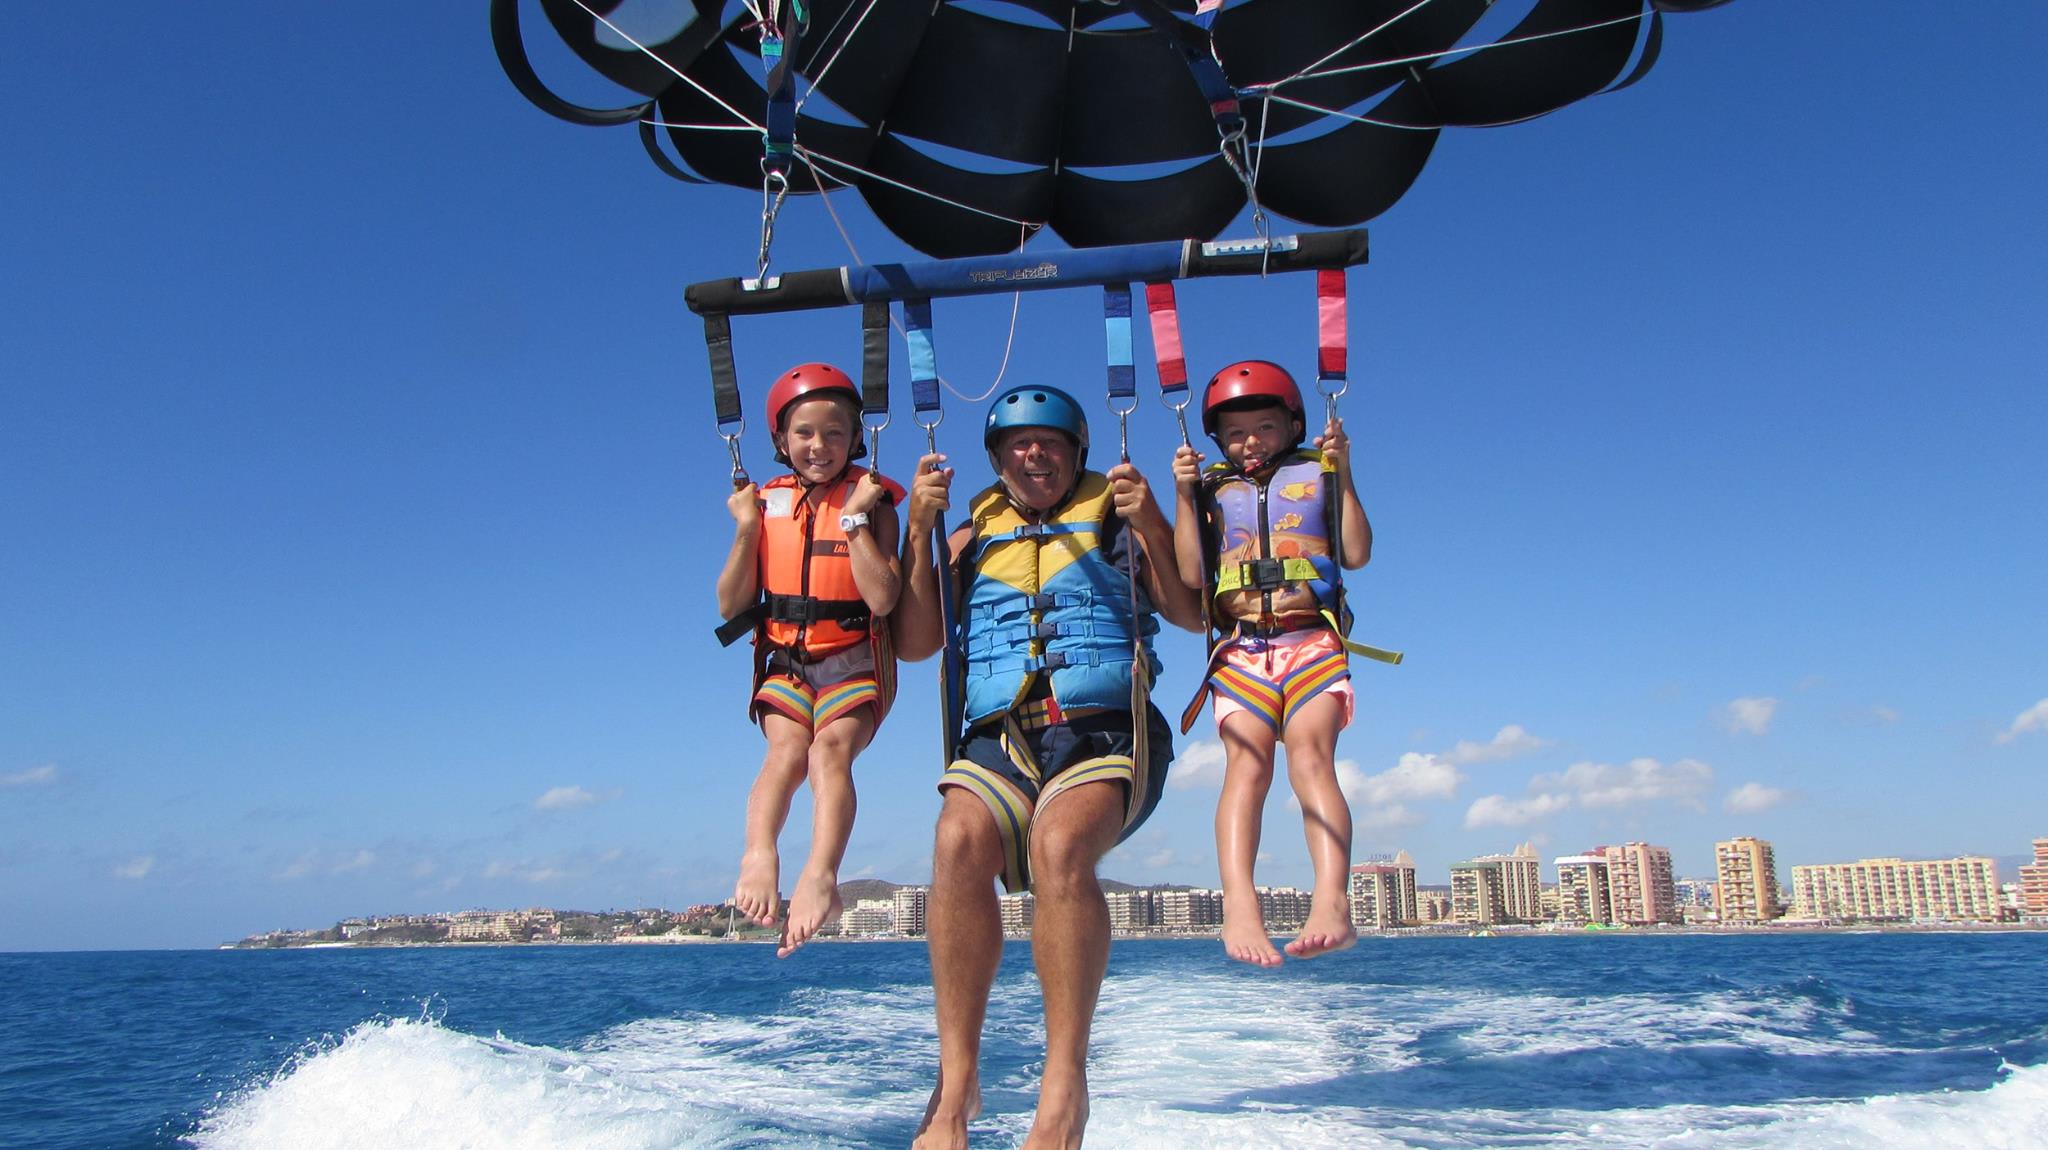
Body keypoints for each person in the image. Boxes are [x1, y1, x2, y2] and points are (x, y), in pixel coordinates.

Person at [895, 385, 1201, 1150]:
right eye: (1018, 446)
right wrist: (918, 529)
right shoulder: (969, 538)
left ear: (1076, 455)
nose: (1036, 455)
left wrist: (1154, 522)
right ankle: (958, 1078)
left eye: (1052, 444)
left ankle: (1065, 1083)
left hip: (1105, 734)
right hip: (999, 737)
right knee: (957, 845)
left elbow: (1193, 614)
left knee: (1060, 848)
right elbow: (913, 642)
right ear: (998, 462)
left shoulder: (1114, 518)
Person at [1170, 360, 1374, 967]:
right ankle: (1239, 901)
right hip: (1239, 649)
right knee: (1247, 764)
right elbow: (1190, 573)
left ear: (1293, 424)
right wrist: (1184, 496)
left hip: (1310, 642)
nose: (1249, 441)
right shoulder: (1210, 490)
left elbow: (1357, 553)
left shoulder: (1319, 471)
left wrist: (1343, 471)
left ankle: (1332, 901)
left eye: (1263, 426)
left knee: (1312, 757)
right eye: (1234, 433)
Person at [715, 363, 904, 958]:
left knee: (829, 752)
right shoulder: (763, 504)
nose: (818, 446)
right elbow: (730, 602)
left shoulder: (873, 503)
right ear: (780, 441)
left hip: (854, 659)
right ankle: (760, 852)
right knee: (786, 751)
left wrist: (854, 522)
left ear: (856, 439)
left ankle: (822, 874)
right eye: (804, 433)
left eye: (834, 433)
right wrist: (747, 530)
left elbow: (882, 597)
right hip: (784, 659)